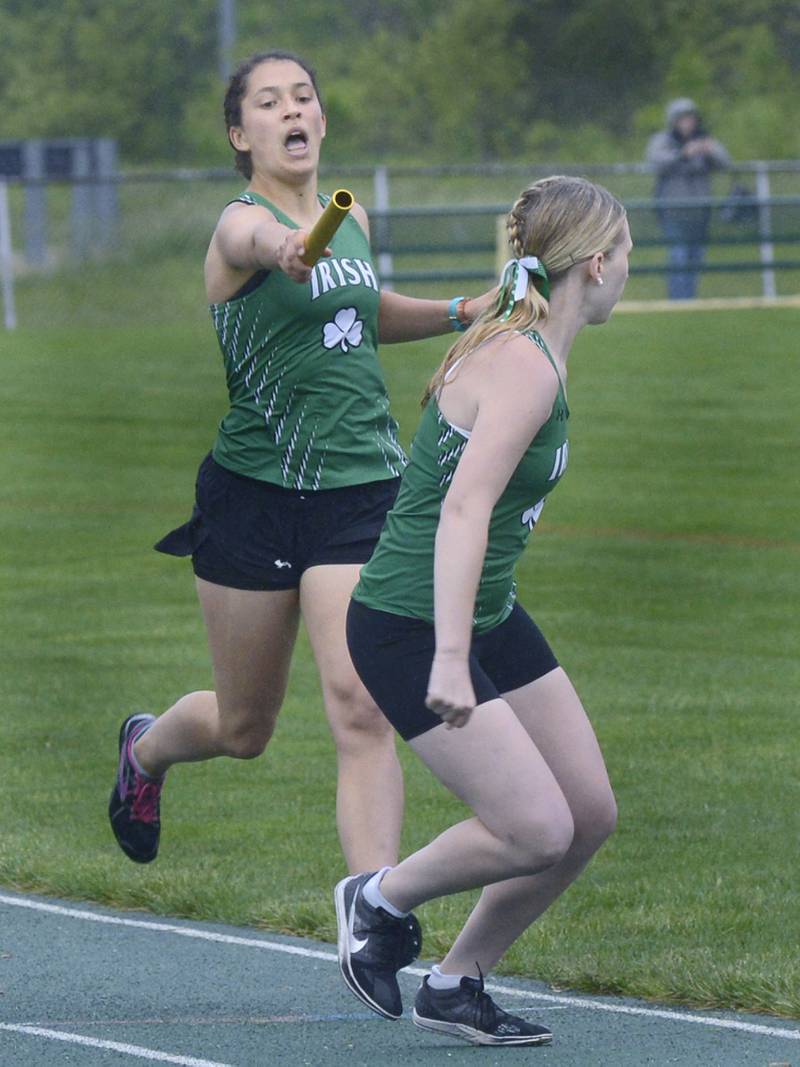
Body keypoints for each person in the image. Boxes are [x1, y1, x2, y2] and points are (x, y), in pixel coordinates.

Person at [108, 50, 494, 874]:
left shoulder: (349, 220)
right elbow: (256, 242)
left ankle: (370, 913)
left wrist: (463, 310)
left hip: (359, 492)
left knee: (361, 706)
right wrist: (283, 245)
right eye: (270, 102)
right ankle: (145, 751)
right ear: (240, 133)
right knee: (244, 728)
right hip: (255, 495)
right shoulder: (237, 224)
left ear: (321, 119)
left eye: (304, 97)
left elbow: (357, 314)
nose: (292, 111)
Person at [337, 175, 632, 1046]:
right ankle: (378, 901)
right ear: (599, 264)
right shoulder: (521, 364)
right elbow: (462, 510)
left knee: (587, 814)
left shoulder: (532, 346)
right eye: (627, 258)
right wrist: (452, 658)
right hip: (409, 622)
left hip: (482, 608)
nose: (628, 273)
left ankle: (457, 981)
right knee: (536, 826)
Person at [646, 98, 729, 300]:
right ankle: (677, 299)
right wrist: (683, 154)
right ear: (674, 121)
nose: (688, 123)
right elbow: (655, 161)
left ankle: (690, 299)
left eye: (691, 118)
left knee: (695, 257)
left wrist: (708, 150)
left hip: (700, 212)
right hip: (674, 211)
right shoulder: (664, 141)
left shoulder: (703, 139)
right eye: (683, 118)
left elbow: (725, 162)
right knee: (678, 256)